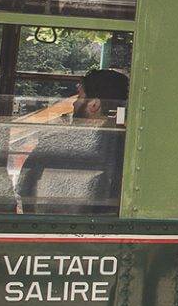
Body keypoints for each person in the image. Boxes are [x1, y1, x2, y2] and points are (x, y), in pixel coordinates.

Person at [15, 67, 128, 215]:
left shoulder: (54, 144)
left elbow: (26, 192)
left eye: (79, 97)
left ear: (94, 104)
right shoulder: (129, 147)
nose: (74, 104)